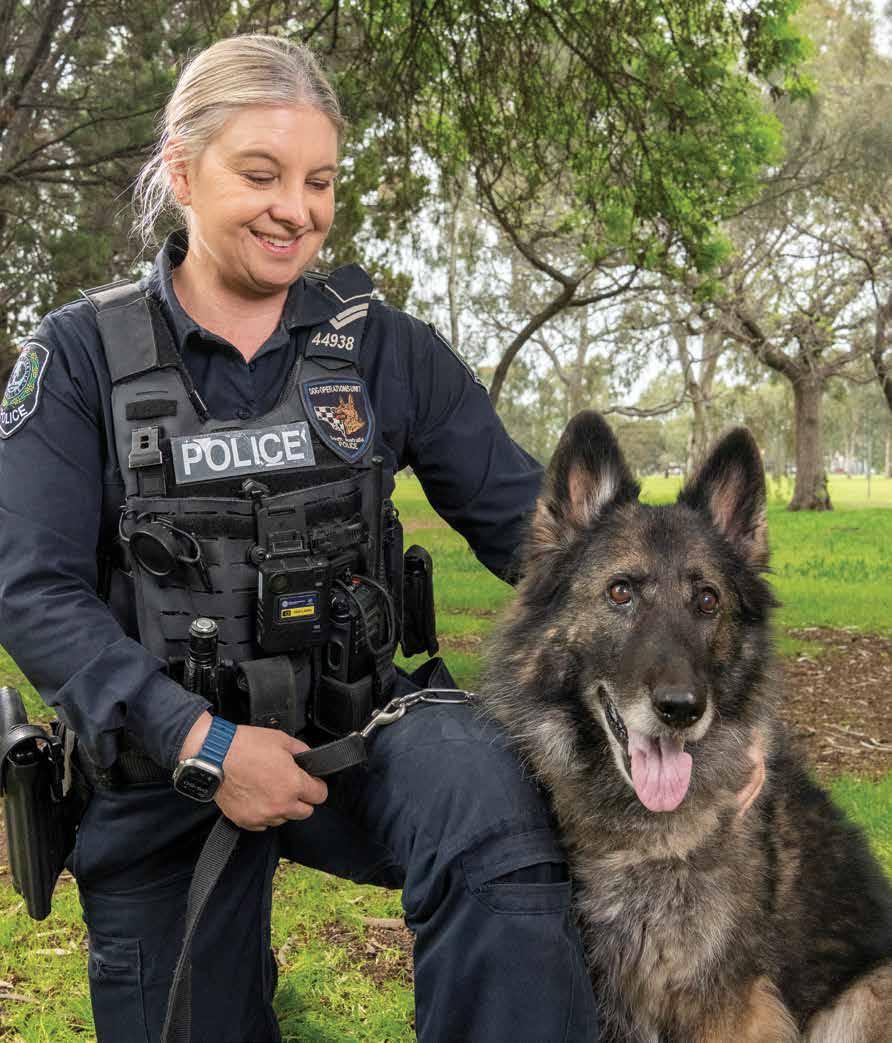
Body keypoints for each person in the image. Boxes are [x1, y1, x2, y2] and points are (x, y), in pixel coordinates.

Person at [0, 35, 762, 1043]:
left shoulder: (382, 348)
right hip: (162, 754)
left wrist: (704, 699)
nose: (296, 209)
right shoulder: (79, 357)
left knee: (491, 809)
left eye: (319, 181)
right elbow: (32, 589)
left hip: (359, 731)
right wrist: (203, 740)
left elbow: (559, 548)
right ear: (181, 171)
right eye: (261, 175)